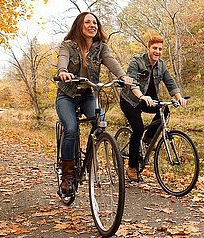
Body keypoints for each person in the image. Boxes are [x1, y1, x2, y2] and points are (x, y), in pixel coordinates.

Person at [56, 12, 132, 196]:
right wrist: (63, 71)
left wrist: (123, 76)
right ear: (79, 26)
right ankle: (67, 176)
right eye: (88, 22)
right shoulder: (68, 45)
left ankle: (88, 160)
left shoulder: (101, 47)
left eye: (95, 22)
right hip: (67, 95)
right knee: (71, 130)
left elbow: (111, 61)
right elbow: (62, 59)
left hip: (88, 94)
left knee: (100, 124)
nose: (93, 25)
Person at [120, 35, 187, 181]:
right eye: (155, 48)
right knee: (137, 129)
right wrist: (141, 96)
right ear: (148, 48)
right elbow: (132, 83)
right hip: (130, 100)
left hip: (149, 99)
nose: (157, 51)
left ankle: (148, 138)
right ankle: (132, 167)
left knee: (165, 110)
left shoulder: (162, 65)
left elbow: (170, 83)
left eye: (160, 49)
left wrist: (179, 98)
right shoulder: (136, 61)